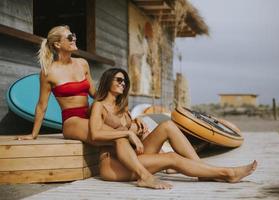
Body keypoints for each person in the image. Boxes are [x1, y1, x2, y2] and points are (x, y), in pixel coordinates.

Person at [15, 25, 172, 189]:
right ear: (57, 45)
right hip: (72, 120)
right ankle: (144, 175)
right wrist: (33, 135)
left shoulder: (82, 64)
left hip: (90, 115)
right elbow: (42, 105)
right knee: (119, 135)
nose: (74, 38)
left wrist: (126, 115)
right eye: (69, 37)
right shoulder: (48, 72)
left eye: (74, 35)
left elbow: (95, 94)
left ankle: (162, 161)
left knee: (134, 127)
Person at [89, 68, 258, 189]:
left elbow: (129, 132)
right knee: (172, 158)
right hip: (113, 164)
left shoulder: (122, 107)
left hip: (132, 156)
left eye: (125, 81)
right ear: (107, 81)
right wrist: (127, 132)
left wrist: (136, 127)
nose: (123, 84)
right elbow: (95, 134)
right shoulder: (99, 106)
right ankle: (227, 173)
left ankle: (202, 169)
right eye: (119, 80)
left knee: (167, 125)